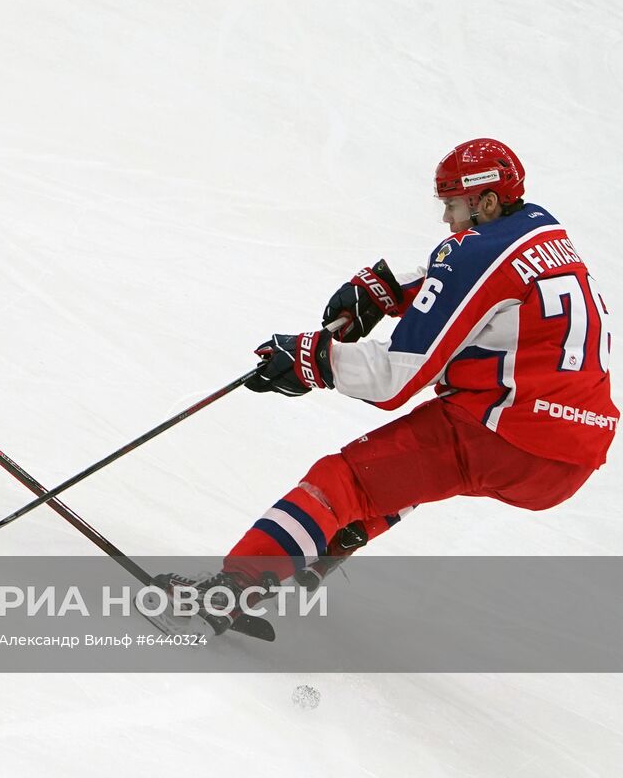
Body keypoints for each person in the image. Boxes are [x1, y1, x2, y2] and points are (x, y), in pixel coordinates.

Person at [167, 138, 616, 626]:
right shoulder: (539, 229)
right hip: (574, 454)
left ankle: (229, 592)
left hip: (504, 435)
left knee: (344, 480)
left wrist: (313, 359)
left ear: (487, 201)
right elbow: (469, 282)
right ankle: (319, 552)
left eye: (454, 205)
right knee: (409, 469)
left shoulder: (477, 254)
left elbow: (395, 378)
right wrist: (388, 290)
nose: (448, 219)